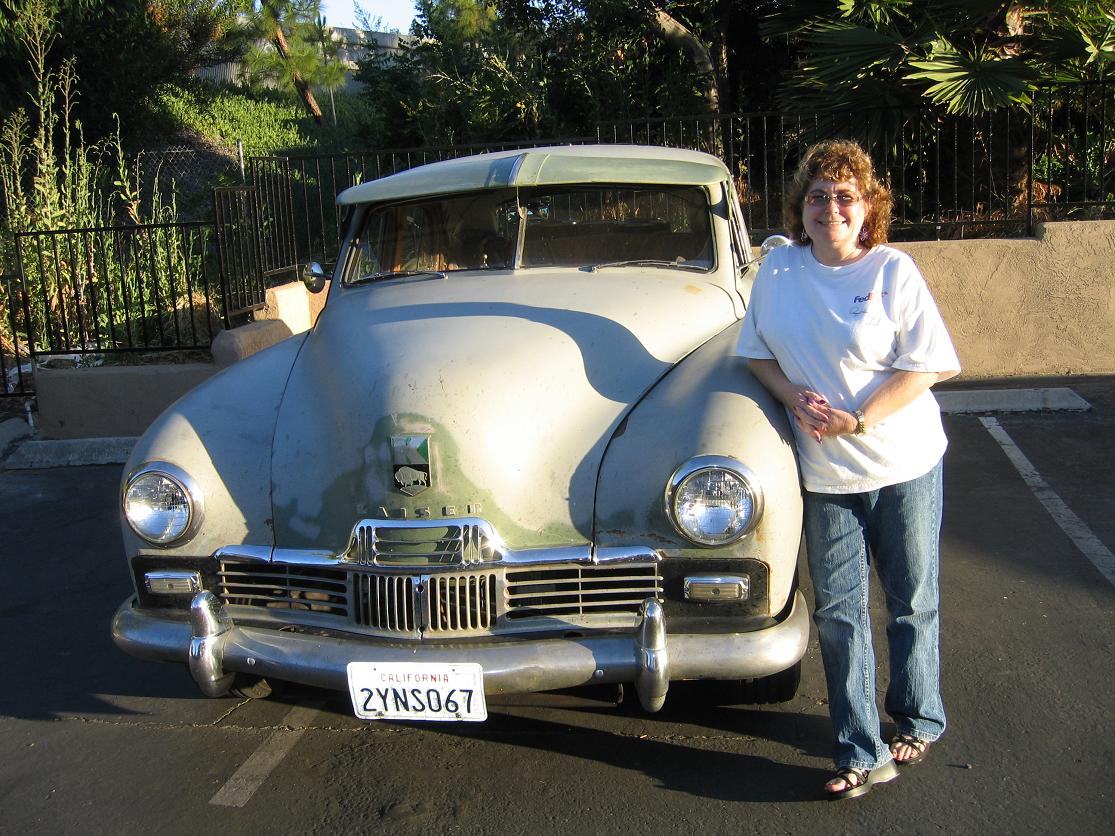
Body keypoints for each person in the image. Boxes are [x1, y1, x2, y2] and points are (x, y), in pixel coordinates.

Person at [737, 140, 961, 800]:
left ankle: (918, 716)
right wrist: (791, 397)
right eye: (817, 196)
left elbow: (929, 364)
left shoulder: (892, 270)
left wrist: (857, 419)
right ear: (799, 207)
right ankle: (860, 750)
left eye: (844, 196)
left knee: (910, 600)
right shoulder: (778, 271)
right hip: (826, 474)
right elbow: (755, 354)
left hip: (902, 464)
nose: (829, 207)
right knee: (838, 613)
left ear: (868, 209)